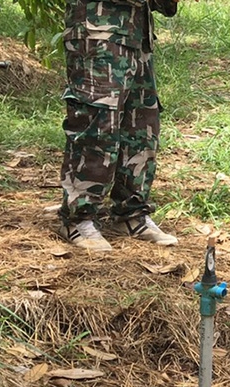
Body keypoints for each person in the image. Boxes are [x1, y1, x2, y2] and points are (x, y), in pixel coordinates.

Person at [58, 0, 181, 252]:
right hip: (97, 34)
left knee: (141, 127)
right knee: (97, 125)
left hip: (136, 38)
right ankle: (78, 217)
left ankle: (131, 213)